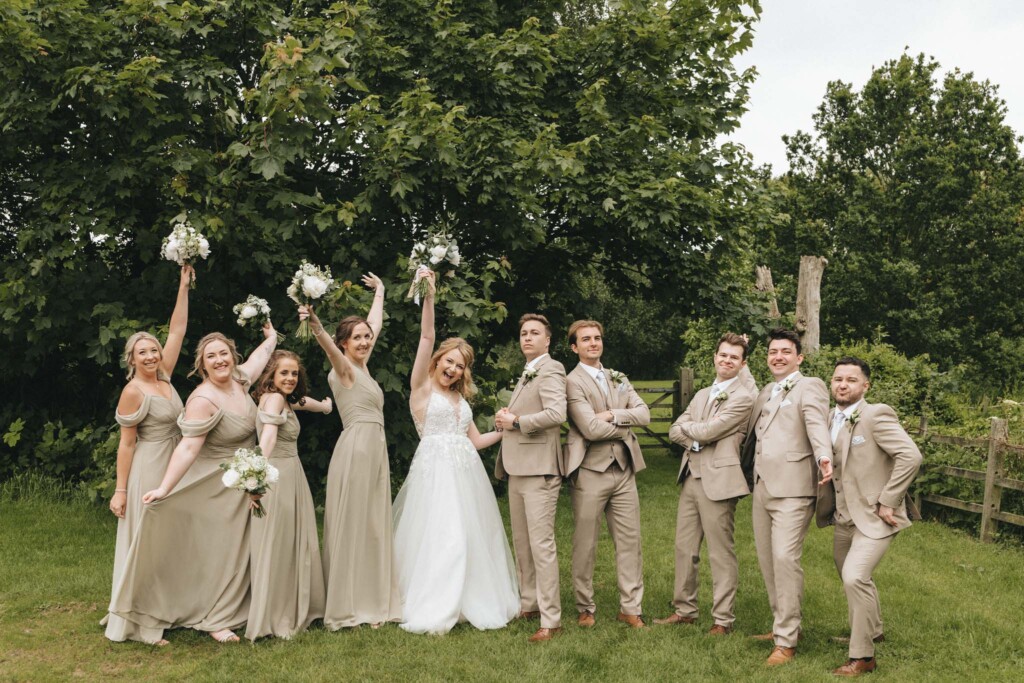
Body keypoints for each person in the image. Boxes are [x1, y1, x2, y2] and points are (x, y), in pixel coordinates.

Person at [111, 325, 277, 643]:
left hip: (240, 478)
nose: (218, 360)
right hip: (209, 483)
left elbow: (260, 358)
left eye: (223, 353)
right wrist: (164, 488)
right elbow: (187, 447)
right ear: (202, 365)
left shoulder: (241, 379)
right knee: (216, 551)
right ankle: (214, 619)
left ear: (233, 356)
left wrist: (271, 338)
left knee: (238, 550)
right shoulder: (202, 398)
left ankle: (230, 608)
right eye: (210, 356)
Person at [392, 271, 519, 634]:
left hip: (466, 475)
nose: (452, 368)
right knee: (442, 535)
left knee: (469, 535)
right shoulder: (420, 388)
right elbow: (427, 335)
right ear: (437, 360)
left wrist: (504, 430)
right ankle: (435, 601)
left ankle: (470, 597)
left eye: (460, 365)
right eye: (448, 361)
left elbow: (476, 442)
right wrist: (428, 295)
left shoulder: (460, 398)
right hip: (435, 473)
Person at [301, 273, 401, 629]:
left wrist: (381, 293)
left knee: (373, 522)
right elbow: (328, 346)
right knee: (357, 522)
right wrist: (315, 324)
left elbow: (373, 324)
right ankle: (349, 604)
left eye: (366, 338)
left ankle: (372, 598)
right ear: (344, 344)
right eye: (356, 338)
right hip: (357, 447)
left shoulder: (364, 365)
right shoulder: (343, 369)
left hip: (375, 448)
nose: (364, 341)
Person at [103, 265, 192, 644]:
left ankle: (171, 607)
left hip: (177, 461)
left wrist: (183, 285)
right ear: (132, 359)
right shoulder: (134, 391)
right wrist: (120, 491)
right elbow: (127, 443)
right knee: (148, 541)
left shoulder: (166, 376)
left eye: (154, 349)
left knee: (173, 539)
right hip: (150, 465)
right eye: (143, 352)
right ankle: (141, 623)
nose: (152, 354)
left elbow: (177, 330)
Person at [819, 357, 921, 677]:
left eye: (851, 379)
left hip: (875, 517)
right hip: (843, 517)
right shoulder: (826, 417)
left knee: (855, 576)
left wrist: (888, 501)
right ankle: (872, 630)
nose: (843, 384)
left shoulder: (876, 415)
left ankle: (863, 657)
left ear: (866, 385)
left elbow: (911, 456)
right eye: (838, 379)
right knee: (850, 576)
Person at [740, 328, 832, 666]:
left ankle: (787, 641)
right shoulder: (767, 389)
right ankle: (782, 624)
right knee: (767, 560)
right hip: (763, 485)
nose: (778, 356)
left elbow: (816, 423)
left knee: (784, 558)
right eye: (773, 352)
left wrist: (824, 455)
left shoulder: (811, 386)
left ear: (799, 357)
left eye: (785, 351)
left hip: (794, 489)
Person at [655, 333, 757, 635]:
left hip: (720, 480)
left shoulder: (743, 397)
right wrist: (695, 437)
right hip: (691, 476)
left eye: (734, 357)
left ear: (742, 363)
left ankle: (723, 619)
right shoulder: (701, 394)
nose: (727, 361)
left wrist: (694, 434)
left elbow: (712, 430)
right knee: (684, 547)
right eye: (723, 355)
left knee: (720, 551)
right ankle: (684, 610)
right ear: (715, 357)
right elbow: (676, 430)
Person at [563, 320, 650, 629]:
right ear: (575, 347)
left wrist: (613, 414)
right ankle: (585, 607)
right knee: (585, 543)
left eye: (597, 338)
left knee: (630, 541)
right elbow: (589, 428)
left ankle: (631, 607)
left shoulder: (618, 377)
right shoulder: (571, 382)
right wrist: (621, 423)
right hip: (589, 471)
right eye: (585, 339)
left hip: (624, 469)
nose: (593, 343)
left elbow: (644, 413)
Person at [246, 350, 332, 640]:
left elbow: (303, 403)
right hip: (278, 475)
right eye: (284, 373)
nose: (290, 378)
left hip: (289, 473)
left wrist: (325, 407)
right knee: (280, 542)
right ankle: (276, 612)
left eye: (294, 373)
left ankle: (286, 602)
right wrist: (257, 474)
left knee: (287, 540)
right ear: (271, 374)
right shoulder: (275, 399)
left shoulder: (281, 399)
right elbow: (269, 436)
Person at [494, 313, 567, 643]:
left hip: (540, 468)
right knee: (522, 543)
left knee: (541, 544)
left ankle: (552, 619)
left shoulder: (551, 368)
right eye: (523, 332)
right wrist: (505, 419)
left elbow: (556, 415)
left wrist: (517, 422)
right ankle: (530, 603)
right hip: (516, 467)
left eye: (535, 332)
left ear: (547, 340)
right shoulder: (528, 372)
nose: (527, 337)